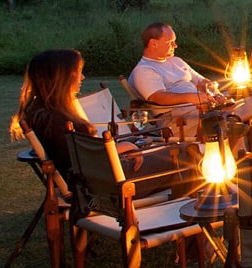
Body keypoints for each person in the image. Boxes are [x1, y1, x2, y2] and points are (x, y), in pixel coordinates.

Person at [10, 48, 194, 200]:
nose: (82, 78)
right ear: (61, 77)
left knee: (174, 152)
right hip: (108, 187)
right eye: (78, 72)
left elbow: (79, 154)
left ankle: (181, 221)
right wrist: (123, 147)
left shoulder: (40, 112)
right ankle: (191, 232)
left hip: (99, 179)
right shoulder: (57, 120)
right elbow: (86, 157)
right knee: (186, 154)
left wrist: (119, 149)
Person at [128, 22, 252, 129]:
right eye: (170, 42)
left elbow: (202, 81)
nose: (175, 45)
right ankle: (228, 123)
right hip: (177, 117)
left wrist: (213, 92)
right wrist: (191, 98)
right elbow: (158, 97)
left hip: (203, 108)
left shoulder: (176, 61)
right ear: (153, 43)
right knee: (227, 120)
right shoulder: (144, 70)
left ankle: (229, 121)